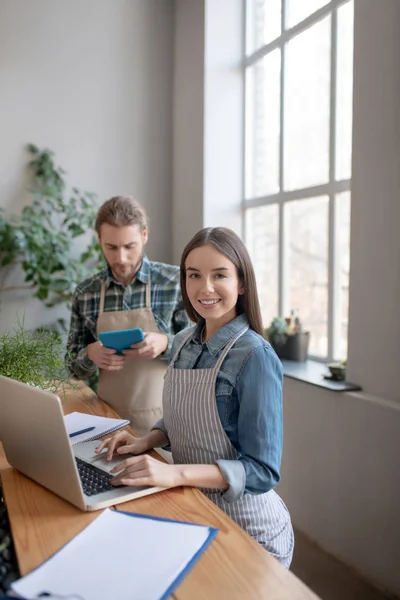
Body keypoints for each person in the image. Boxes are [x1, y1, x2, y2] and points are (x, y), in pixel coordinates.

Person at [96, 226, 294, 567]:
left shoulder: (255, 356)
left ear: (242, 283)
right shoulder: (185, 341)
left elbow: (262, 471)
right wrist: (148, 439)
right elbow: (183, 420)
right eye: (194, 275)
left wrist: (174, 473)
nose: (205, 288)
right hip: (194, 511)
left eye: (220, 275)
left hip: (249, 532)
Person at [66, 195, 191, 435]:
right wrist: (89, 354)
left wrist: (166, 343)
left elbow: (203, 351)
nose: (120, 258)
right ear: (99, 240)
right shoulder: (86, 293)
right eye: (111, 247)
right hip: (105, 421)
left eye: (129, 246)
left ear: (144, 236)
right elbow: (72, 367)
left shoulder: (175, 283)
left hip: (168, 425)